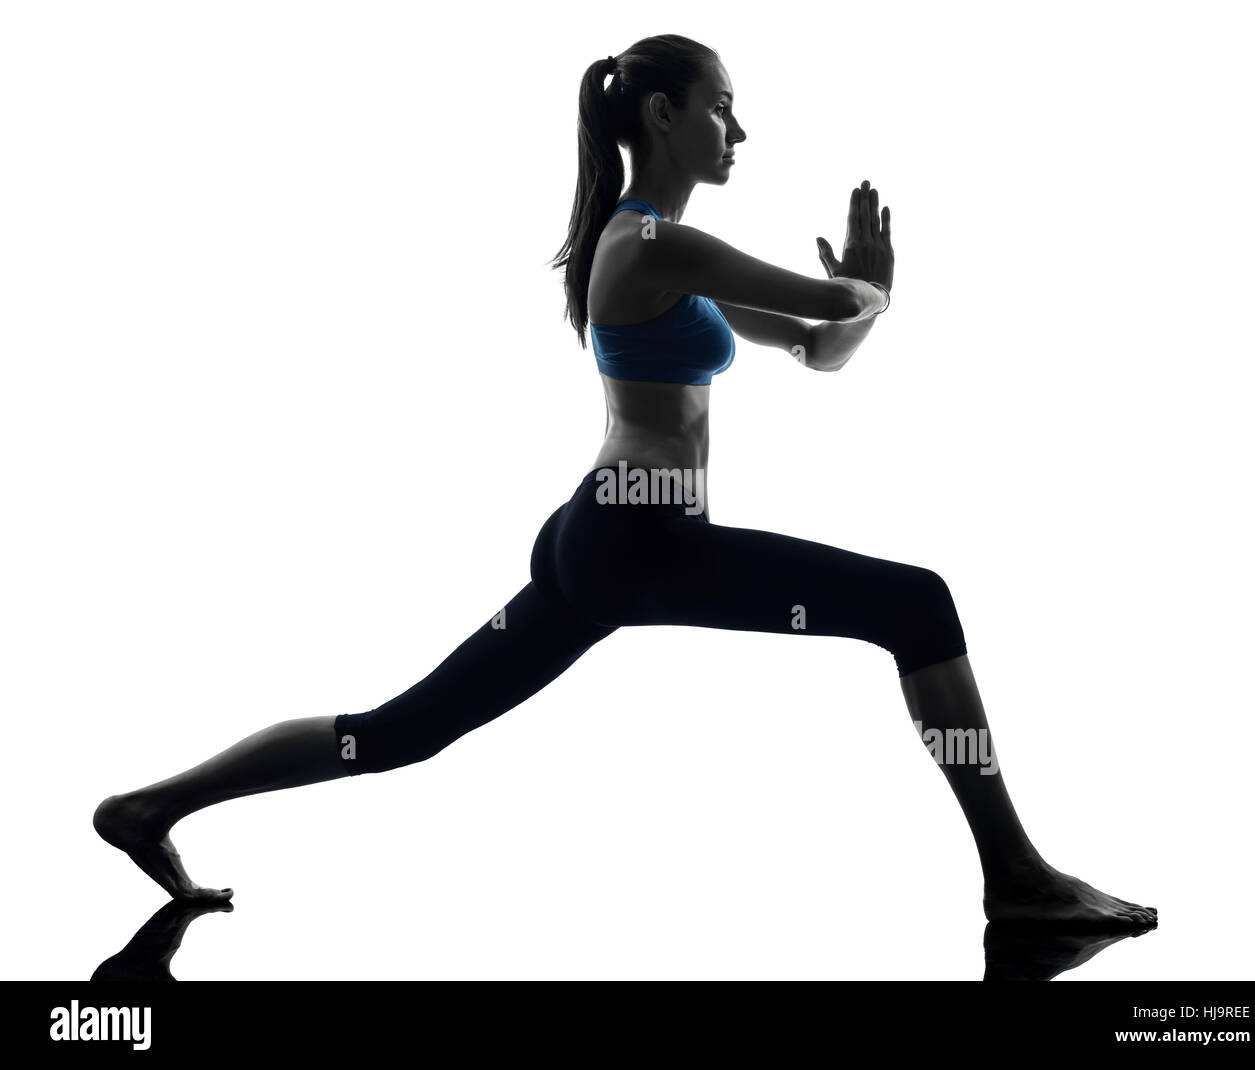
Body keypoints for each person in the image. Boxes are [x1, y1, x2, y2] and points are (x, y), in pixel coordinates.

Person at [95, 34, 1156, 931]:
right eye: (724, 111)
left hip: (603, 542)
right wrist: (869, 290)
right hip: (637, 545)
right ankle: (1016, 880)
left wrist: (868, 304)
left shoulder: (657, 253)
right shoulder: (650, 244)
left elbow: (817, 344)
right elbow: (837, 302)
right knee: (914, 603)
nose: (739, 133)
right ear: (661, 115)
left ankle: (151, 806)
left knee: (398, 729)